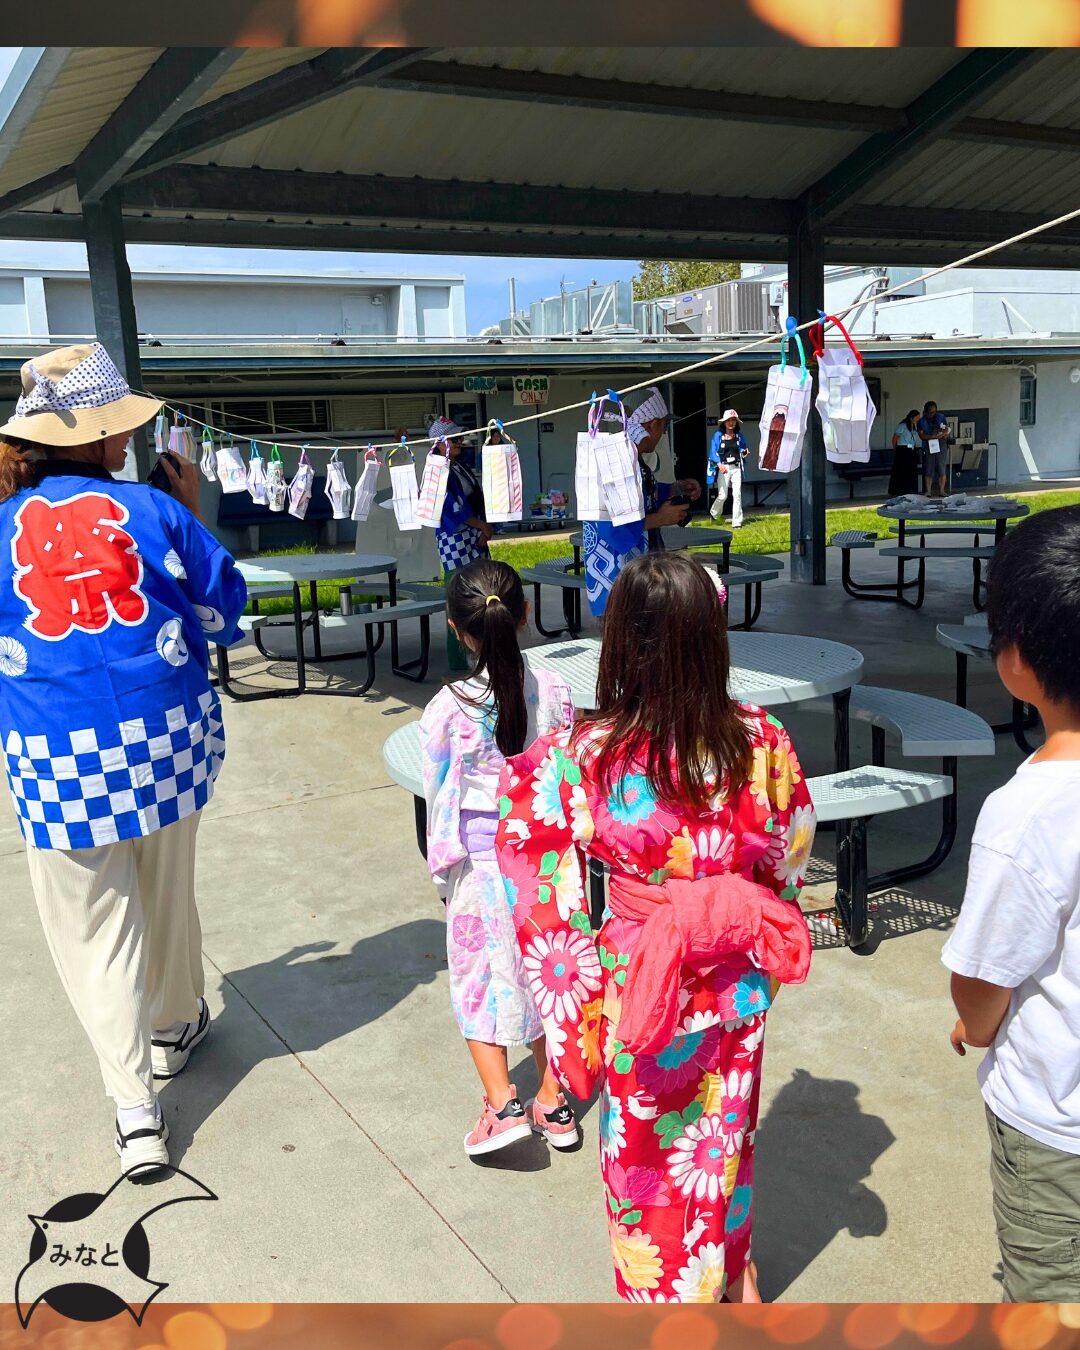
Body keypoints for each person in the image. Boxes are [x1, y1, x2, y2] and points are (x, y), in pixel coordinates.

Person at [496, 553, 815, 1302]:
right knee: (722, 1143)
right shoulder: (761, 740)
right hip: (735, 983)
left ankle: (671, 1302)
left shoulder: (590, 753)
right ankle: (731, 1276)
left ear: (620, 642)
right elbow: (790, 852)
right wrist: (748, 920)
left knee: (645, 1157)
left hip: (642, 983)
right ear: (713, 637)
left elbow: (533, 871)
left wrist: (574, 1023)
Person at [0, 344, 247, 1176]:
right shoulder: (155, 508)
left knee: (93, 926)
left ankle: (136, 1112)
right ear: (106, 437)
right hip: (165, 740)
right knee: (166, 890)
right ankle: (176, 1022)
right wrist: (190, 512)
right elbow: (223, 608)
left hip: (55, 753)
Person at [943, 505, 1080, 1303]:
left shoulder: (1026, 814)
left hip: (1057, 1129)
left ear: (1014, 660)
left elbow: (985, 980)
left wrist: (975, 1023)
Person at [419, 559, 580, 1157]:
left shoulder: (449, 708)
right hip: (545, 866)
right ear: (525, 616)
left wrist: (443, 871)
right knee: (550, 980)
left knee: (479, 984)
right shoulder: (557, 690)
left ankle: (501, 1105)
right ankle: (554, 1100)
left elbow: (441, 799)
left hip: (481, 867)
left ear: (458, 629)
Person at [583, 387, 701, 618]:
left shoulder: (632, 461)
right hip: (620, 579)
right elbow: (609, 526)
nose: (663, 433)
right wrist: (661, 518)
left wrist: (676, 488)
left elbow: (644, 496)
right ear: (652, 424)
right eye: (664, 427)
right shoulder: (613, 466)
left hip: (636, 574)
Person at [708, 409, 748, 528]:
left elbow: (743, 449)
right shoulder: (718, 435)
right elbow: (713, 451)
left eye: (733, 421)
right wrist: (719, 465)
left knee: (737, 494)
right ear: (724, 423)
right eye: (728, 421)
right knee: (723, 495)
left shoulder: (739, 436)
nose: (731, 423)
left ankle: (737, 522)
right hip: (723, 467)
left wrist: (744, 452)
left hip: (736, 467)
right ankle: (714, 514)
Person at [917, 400, 950, 497]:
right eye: (930, 412)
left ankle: (942, 490)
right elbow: (921, 435)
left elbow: (946, 429)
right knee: (928, 468)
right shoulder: (921, 421)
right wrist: (932, 437)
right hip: (929, 445)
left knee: (941, 468)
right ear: (926, 412)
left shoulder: (941, 417)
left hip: (941, 444)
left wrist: (942, 434)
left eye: (934, 411)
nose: (933, 414)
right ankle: (928, 491)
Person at [888, 409, 921, 497]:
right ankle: (900, 490)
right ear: (911, 418)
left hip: (911, 449)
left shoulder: (915, 426)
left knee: (912, 470)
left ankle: (911, 490)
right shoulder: (902, 426)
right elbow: (894, 438)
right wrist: (896, 449)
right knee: (902, 470)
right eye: (916, 417)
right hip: (903, 449)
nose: (918, 419)